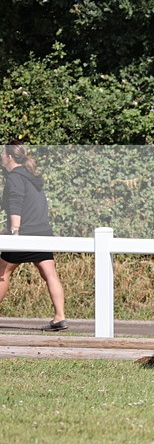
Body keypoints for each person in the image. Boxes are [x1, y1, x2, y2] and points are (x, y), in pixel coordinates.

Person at [0, 140, 68, 331]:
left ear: (10, 157)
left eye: (3, 154)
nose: (1, 158)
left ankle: (59, 318)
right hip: (42, 233)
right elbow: (32, 206)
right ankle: (60, 317)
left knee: (2, 273)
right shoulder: (30, 176)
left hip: (24, 235)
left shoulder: (14, 177)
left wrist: (14, 231)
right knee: (50, 274)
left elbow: (16, 203)